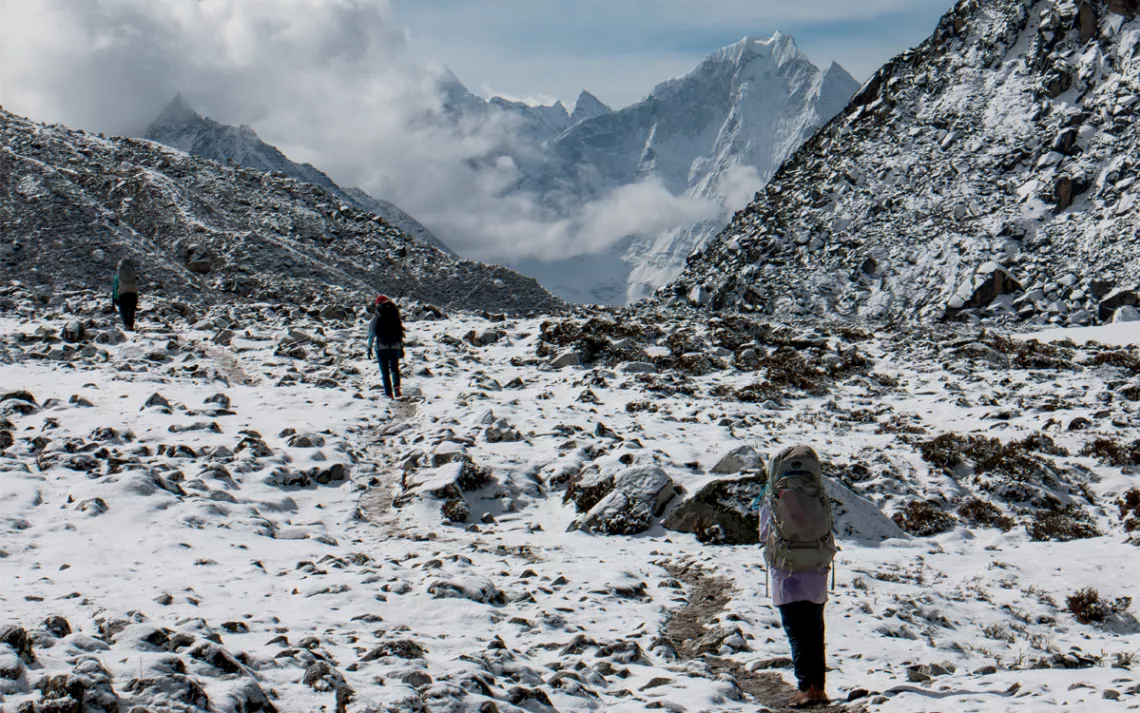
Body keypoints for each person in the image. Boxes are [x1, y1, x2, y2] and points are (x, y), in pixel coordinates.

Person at [758, 445, 834, 708]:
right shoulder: (817, 492)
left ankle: (805, 689)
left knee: (797, 632)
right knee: (814, 629)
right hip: (816, 566)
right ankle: (818, 688)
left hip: (787, 570)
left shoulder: (774, 495)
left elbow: (764, 532)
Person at [366, 295, 405, 399]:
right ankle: (396, 386)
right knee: (395, 368)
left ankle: (389, 393)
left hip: (381, 347)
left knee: (385, 371)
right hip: (395, 346)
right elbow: (399, 330)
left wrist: (369, 347)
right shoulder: (394, 313)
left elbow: (371, 333)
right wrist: (401, 347)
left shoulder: (377, 315)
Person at [112, 258, 140, 331]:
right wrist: (137, 298)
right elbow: (136, 285)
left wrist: (115, 299)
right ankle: (131, 325)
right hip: (133, 294)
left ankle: (127, 325)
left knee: (123, 310)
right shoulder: (133, 272)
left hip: (123, 294)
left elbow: (115, 287)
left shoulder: (118, 274)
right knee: (131, 311)